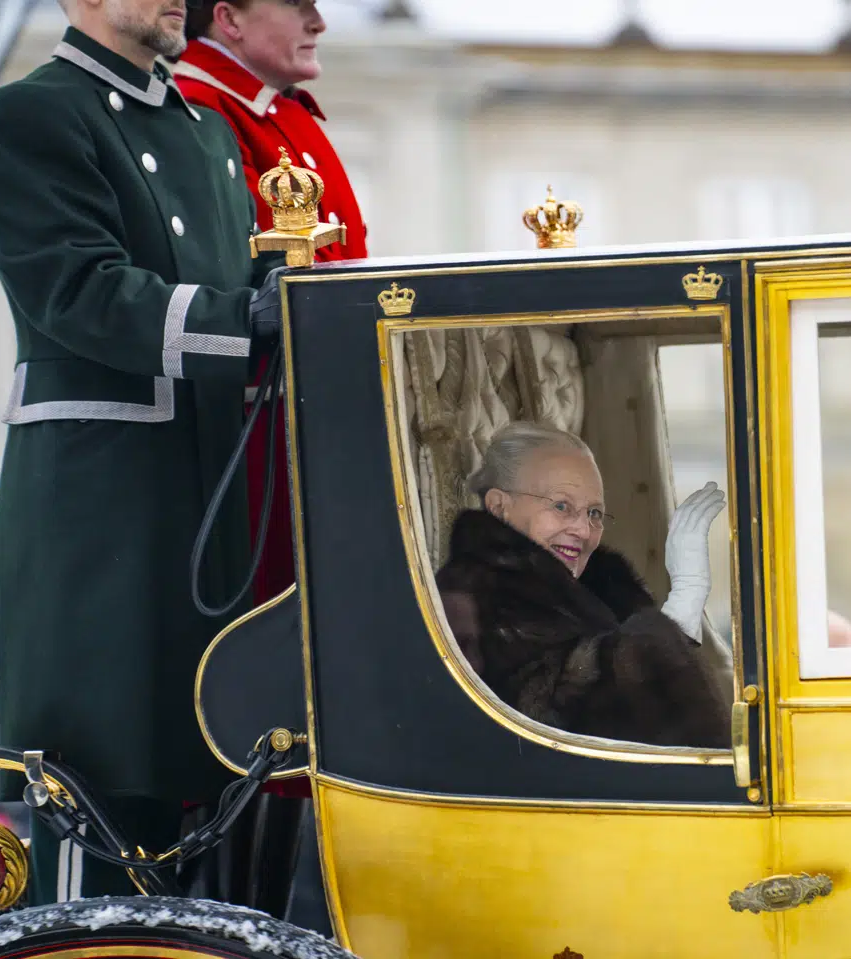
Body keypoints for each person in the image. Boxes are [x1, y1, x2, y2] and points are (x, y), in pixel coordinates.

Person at [0, 0, 285, 905]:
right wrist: (242, 317)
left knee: (205, 794)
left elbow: (230, 282)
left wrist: (287, 292)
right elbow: (79, 290)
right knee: (95, 799)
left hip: (204, 500)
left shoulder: (208, 133)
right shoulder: (36, 113)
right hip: (102, 518)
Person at [175, 0, 368, 605]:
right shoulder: (201, 108)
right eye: (298, 6)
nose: (319, 23)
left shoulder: (268, 109)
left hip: (312, 407)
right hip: (264, 418)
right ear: (229, 19)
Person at [435, 422, 732, 748]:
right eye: (562, 506)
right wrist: (682, 604)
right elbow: (552, 723)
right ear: (499, 507)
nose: (583, 529)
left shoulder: (596, 586)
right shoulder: (473, 596)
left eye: (594, 513)